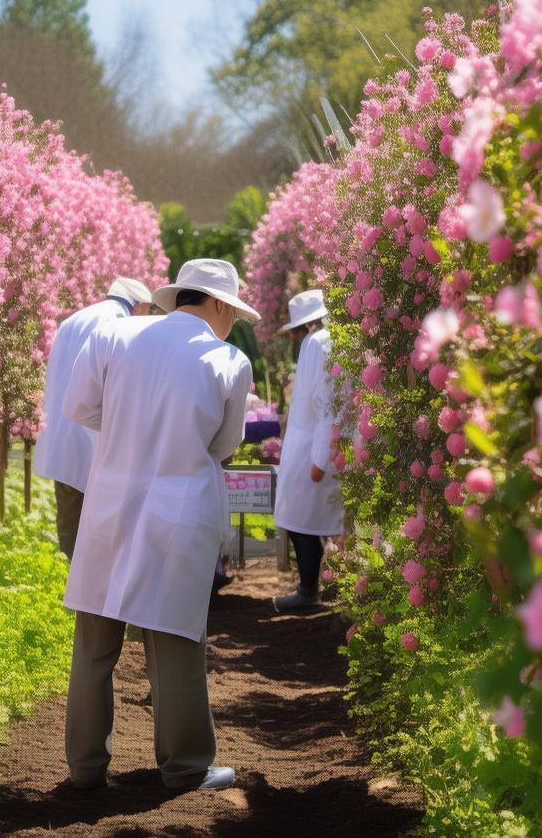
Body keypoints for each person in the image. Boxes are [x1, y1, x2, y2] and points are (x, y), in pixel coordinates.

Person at [61, 258, 259, 792]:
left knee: (95, 640)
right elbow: (223, 446)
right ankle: (185, 767)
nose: (233, 323)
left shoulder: (117, 336)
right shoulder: (228, 360)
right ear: (217, 303)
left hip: (110, 501)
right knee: (173, 639)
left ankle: (84, 767)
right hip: (180, 509)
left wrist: (130, 427)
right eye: (233, 313)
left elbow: (79, 406)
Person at [33, 277, 152, 558]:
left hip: (62, 434)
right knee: (101, 532)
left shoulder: (74, 320)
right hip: (96, 434)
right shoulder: (120, 326)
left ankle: (68, 589)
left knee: (70, 522)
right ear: (139, 306)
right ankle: (91, 596)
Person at [272, 289, 343, 612]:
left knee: (302, 521)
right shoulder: (325, 340)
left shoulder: (318, 342)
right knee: (308, 520)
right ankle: (315, 589)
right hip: (315, 442)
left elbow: (324, 403)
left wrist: (319, 459)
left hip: (313, 446)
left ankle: (308, 591)